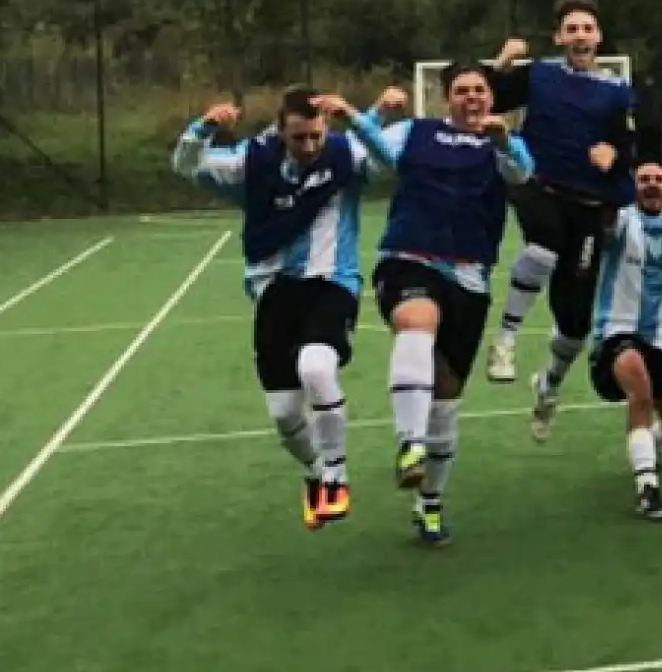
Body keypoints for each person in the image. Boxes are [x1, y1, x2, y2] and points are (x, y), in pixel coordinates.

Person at [341, 63, 535, 546]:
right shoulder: (418, 131)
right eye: (462, 90)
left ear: (491, 98)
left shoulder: (505, 141)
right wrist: (359, 120)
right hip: (410, 256)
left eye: (480, 90)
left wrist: (504, 142)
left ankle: (429, 503)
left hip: (470, 274)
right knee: (416, 321)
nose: (473, 97)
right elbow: (384, 156)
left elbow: (522, 174)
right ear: (446, 98)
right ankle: (409, 443)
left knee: (447, 401)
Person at [171, 86, 375, 531]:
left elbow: (389, 164)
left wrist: (361, 119)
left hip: (330, 282)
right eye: (298, 138)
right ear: (281, 132)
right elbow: (186, 165)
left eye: (315, 137)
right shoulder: (254, 160)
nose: (309, 147)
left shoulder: (345, 153)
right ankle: (318, 473)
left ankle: (337, 477)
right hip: (273, 291)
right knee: (284, 414)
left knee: (317, 368)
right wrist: (203, 128)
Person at [530, 162, 662, 520]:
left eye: (658, 180)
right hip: (618, 333)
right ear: (632, 187)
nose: (651, 186)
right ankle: (647, 488)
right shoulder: (621, 222)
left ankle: (649, 446)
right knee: (641, 391)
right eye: (643, 180)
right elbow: (598, 224)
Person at [484, 0, 636, 384]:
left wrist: (614, 153)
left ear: (599, 37)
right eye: (572, 29)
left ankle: (549, 382)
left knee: (575, 323)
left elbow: (630, 145)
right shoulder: (539, 75)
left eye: (587, 29)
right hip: (538, 186)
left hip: (587, 204)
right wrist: (502, 61)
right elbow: (483, 98)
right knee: (542, 248)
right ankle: (505, 341)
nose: (580, 36)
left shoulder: (618, 90)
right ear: (559, 38)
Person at [633, 70, 662, 171]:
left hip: (644, 125)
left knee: (643, 148)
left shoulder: (639, 92)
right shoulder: (658, 91)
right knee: (655, 148)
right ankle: (655, 164)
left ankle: (643, 164)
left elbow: (636, 107)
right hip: (655, 125)